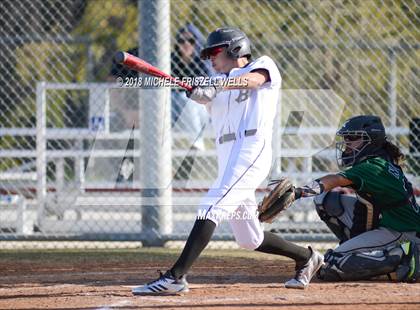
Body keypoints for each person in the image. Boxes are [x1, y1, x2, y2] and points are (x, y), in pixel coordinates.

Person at [132, 27, 324, 295]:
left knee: (211, 206)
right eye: (208, 54)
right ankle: (307, 257)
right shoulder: (216, 81)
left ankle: (175, 277)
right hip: (227, 156)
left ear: (235, 49)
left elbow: (252, 81)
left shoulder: (262, 65)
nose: (210, 58)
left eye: (215, 51)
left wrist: (216, 83)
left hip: (251, 149)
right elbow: (206, 95)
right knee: (249, 238)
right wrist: (197, 90)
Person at [291, 115, 419, 282]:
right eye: (345, 138)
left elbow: (334, 179)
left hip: (400, 231)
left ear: (371, 141)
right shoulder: (378, 159)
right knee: (325, 200)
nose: (346, 143)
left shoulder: (373, 166)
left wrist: (298, 192)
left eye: (352, 138)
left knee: (331, 265)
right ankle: (359, 250)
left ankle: (404, 255)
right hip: (388, 223)